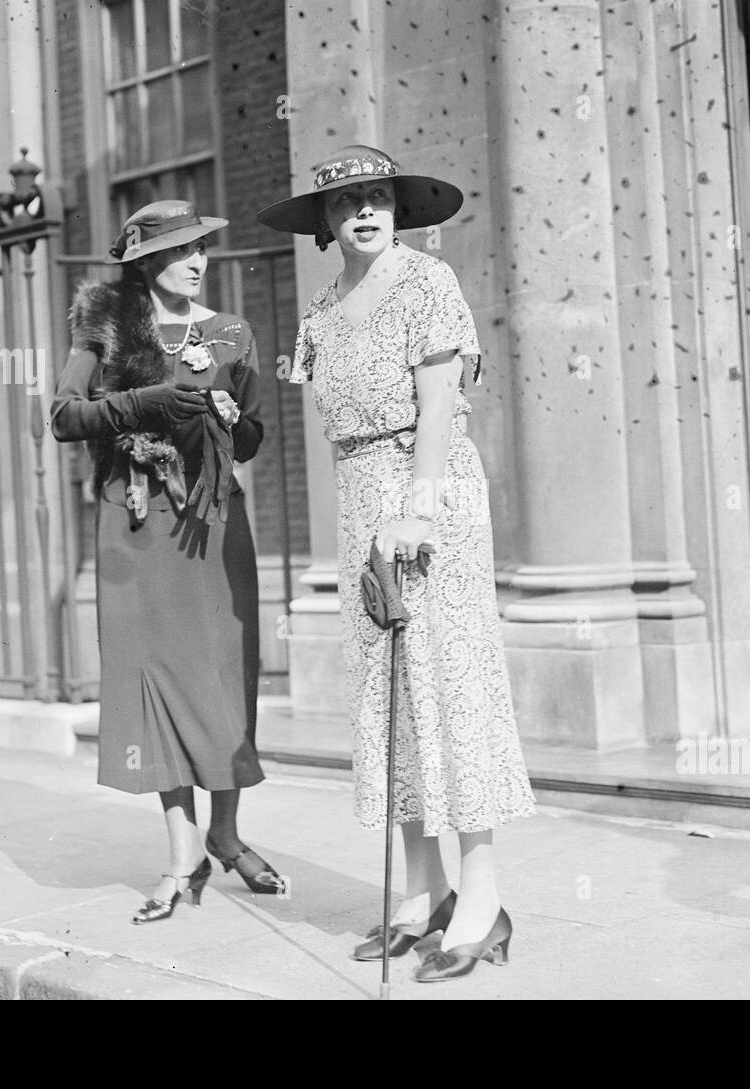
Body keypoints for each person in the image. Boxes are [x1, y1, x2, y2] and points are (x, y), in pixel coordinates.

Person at [258, 146, 536, 981]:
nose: (365, 213)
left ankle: (481, 899)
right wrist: (372, 512)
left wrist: (417, 508)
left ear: (398, 209)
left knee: (448, 682)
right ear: (325, 225)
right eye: (347, 205)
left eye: (378, 198)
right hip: (358, 497)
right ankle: (424, 890)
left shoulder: (426, 283)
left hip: (429, 489)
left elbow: (441, 401)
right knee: (391, 693)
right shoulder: (323, 303)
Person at [51, 199, 284, 924]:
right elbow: (63, 416)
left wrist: (228, 418)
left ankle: (226, 830)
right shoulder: (109, 331)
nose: (197, 260)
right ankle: (184, 855)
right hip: (139, 521)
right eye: (181, 250)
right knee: (158, 677)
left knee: (222, 672)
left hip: (214, 523)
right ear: (146, 262)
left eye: (202, 248)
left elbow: (251, 440)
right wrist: (148, 400)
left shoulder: (230, 332)